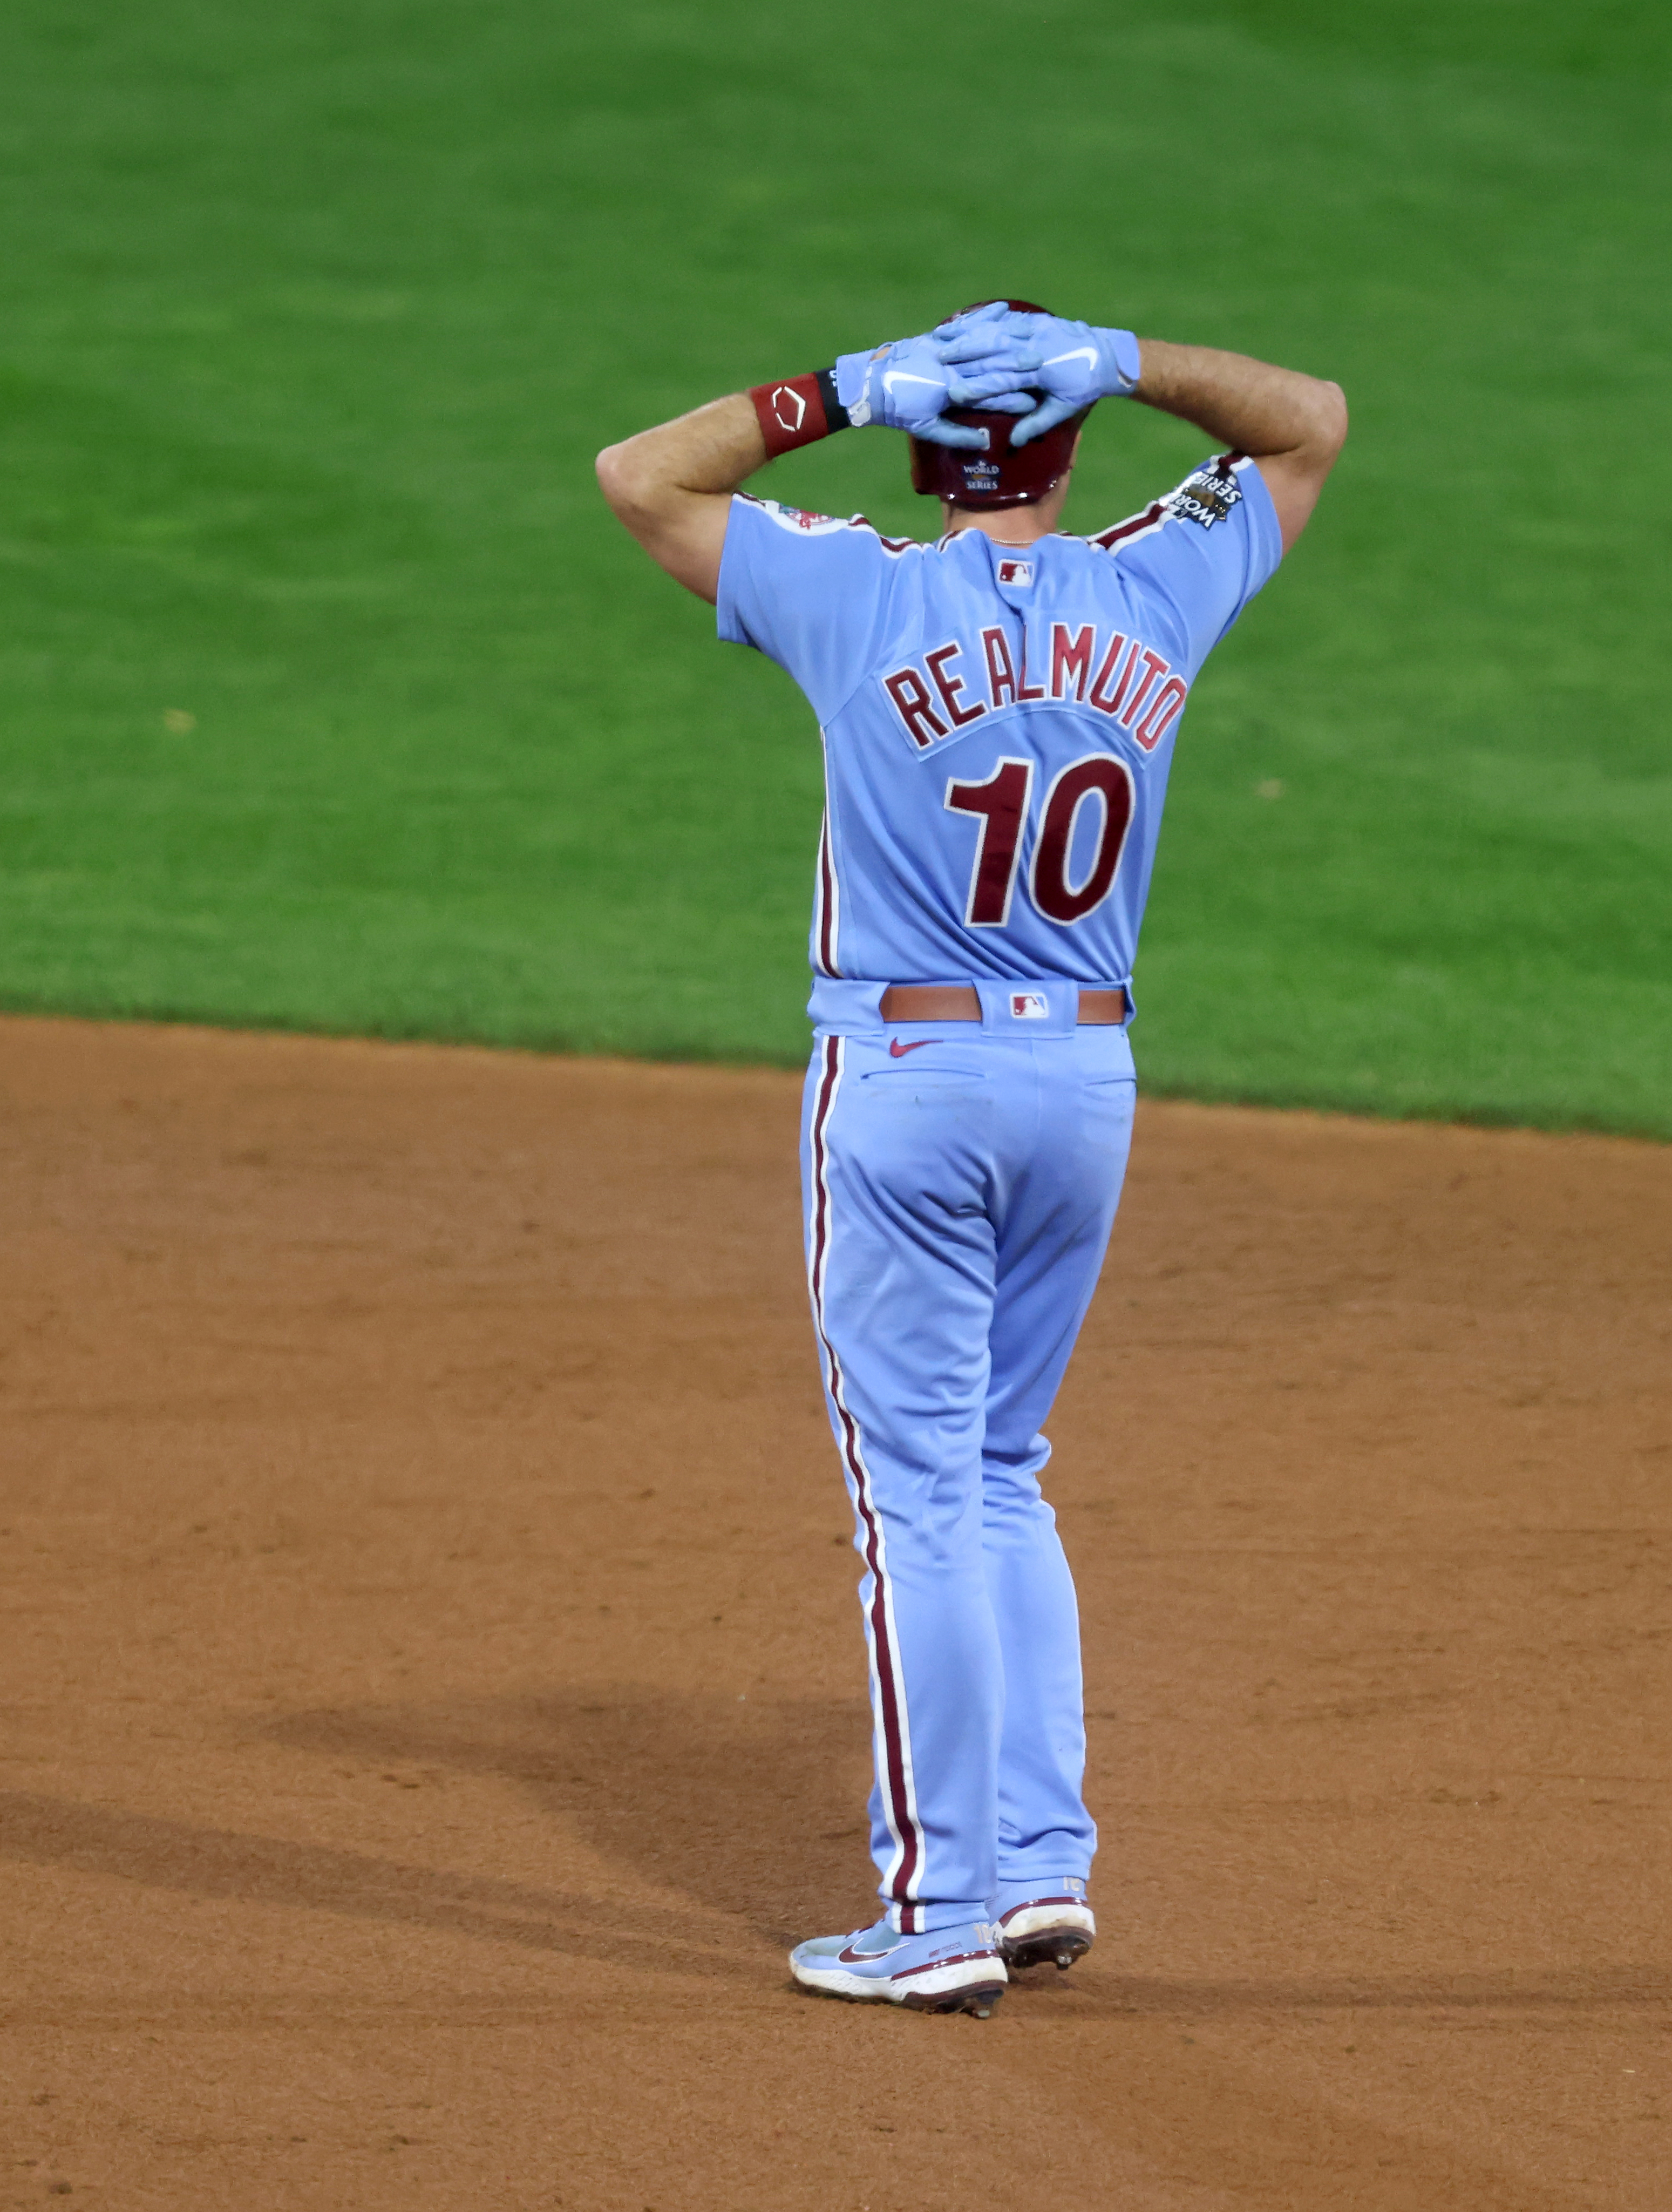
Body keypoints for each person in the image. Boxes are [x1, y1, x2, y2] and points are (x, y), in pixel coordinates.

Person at [596, 300, 1347, 2016]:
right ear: (1075, 447)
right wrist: (1137, 357)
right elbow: (1310, 419)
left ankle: (935, 1910)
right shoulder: (1157, 584)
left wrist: (837, 390)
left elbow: (638, 477)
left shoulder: (855, 590)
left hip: (909, 1073)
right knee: (1004, 1466)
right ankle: (1035, 1863)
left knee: (914, 1497)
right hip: (1085, 1078)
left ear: (928, 453)